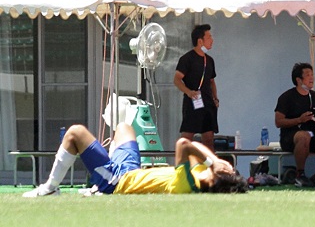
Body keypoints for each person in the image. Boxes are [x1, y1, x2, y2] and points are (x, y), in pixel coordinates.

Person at [22, 121, 247, 197]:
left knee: (75, 132)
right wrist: (213, 160)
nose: (227, 165)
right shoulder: (200, 173)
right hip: (130, 170)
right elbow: (196, 146)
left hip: (117, 181)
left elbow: (184, 144)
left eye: (228, 170)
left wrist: (212, 162)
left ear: (217, 178)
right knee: (124, 127)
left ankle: (50, 188)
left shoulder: (187, 184)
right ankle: (99, 174)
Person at [275, 62, 315, 188]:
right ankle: (300, 174)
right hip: (291, 137)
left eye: (312, 74)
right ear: (299, 80)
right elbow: (278, 122)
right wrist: (299, 120)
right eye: (308, 75)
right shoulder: (287, 97)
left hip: (312, 135)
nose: (312, 78)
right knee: (304, 136)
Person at [173, 24, 218, 152]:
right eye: (209, 37)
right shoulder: (187, 59)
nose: (212, 40)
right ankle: (182, 162)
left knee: (209, 139)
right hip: (193, 102)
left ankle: (209, 163)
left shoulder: (210, 60)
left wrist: (215, 98)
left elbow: (212, 81)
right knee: (186, 138)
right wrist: (188, 92)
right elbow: (177, 79)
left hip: (208, 104)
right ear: (200, 41)